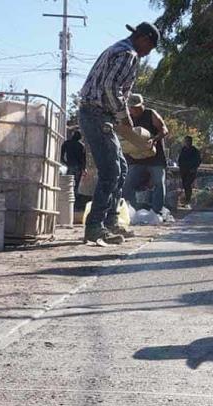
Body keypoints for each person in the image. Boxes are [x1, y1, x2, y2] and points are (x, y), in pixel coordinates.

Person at [77, 21, 159, 245]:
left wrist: (121, 118)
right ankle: (95, 226)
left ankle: (111, 221)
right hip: (97, 114)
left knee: (121, 168)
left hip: (99, 114)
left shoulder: (117, 48)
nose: (146, 54)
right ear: (143, 39)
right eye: (149, 48)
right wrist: (125, 117)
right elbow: (111, 88)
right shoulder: (128, 53)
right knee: (111, 171)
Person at [121, 94, 169, 214]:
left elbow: (164, 130)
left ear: (142, 105)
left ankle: (156, 211)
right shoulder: (127, 118)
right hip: (135, 158)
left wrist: (154, 139)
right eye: (132, 107)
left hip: (155, 157)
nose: (135, 110)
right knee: (128, 183)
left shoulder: (151, 114)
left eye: (137, 107)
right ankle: (130, 211)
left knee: (158, 183)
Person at [59, 130, 90, 213]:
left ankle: (65, 205)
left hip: (69, 167)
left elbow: (61, 156)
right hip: (78, 168)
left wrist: (65, 163)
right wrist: (84, 169)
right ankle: (73, 206)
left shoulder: (66, 143)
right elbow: (83, 160)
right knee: (75, 187)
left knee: (67, 186)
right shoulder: (81, 145)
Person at [177, 136, 202, 205]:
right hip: (183, 171)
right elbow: (180, 160)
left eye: (188, 141)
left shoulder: (195, 151)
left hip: (191, 171)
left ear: (191, 142)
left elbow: (198, 161)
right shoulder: (183, 150)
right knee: (185, 185)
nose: (187, 143)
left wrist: (194, 168)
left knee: (188, 184)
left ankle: (188, 199)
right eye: (186, 141)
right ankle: (186, 199)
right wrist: (180, 167)